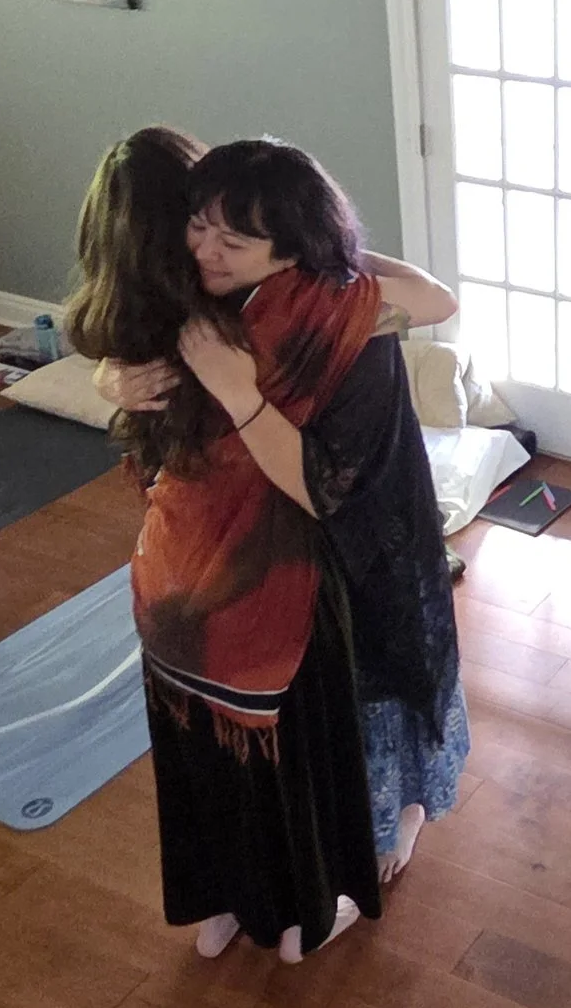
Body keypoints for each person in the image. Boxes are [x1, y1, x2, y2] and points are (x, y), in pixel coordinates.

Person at [96, 142, 467, 888]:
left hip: (353, 524)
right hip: (238, 552)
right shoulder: (191, 297)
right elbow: (122, 354)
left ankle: (396, 816)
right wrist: (112, 379)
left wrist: (241, 393)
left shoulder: (340, 315)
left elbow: (434, 300)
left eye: (233, 239)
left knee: (380, 671)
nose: (207, 249)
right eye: (198, 226)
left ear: (289, 243)